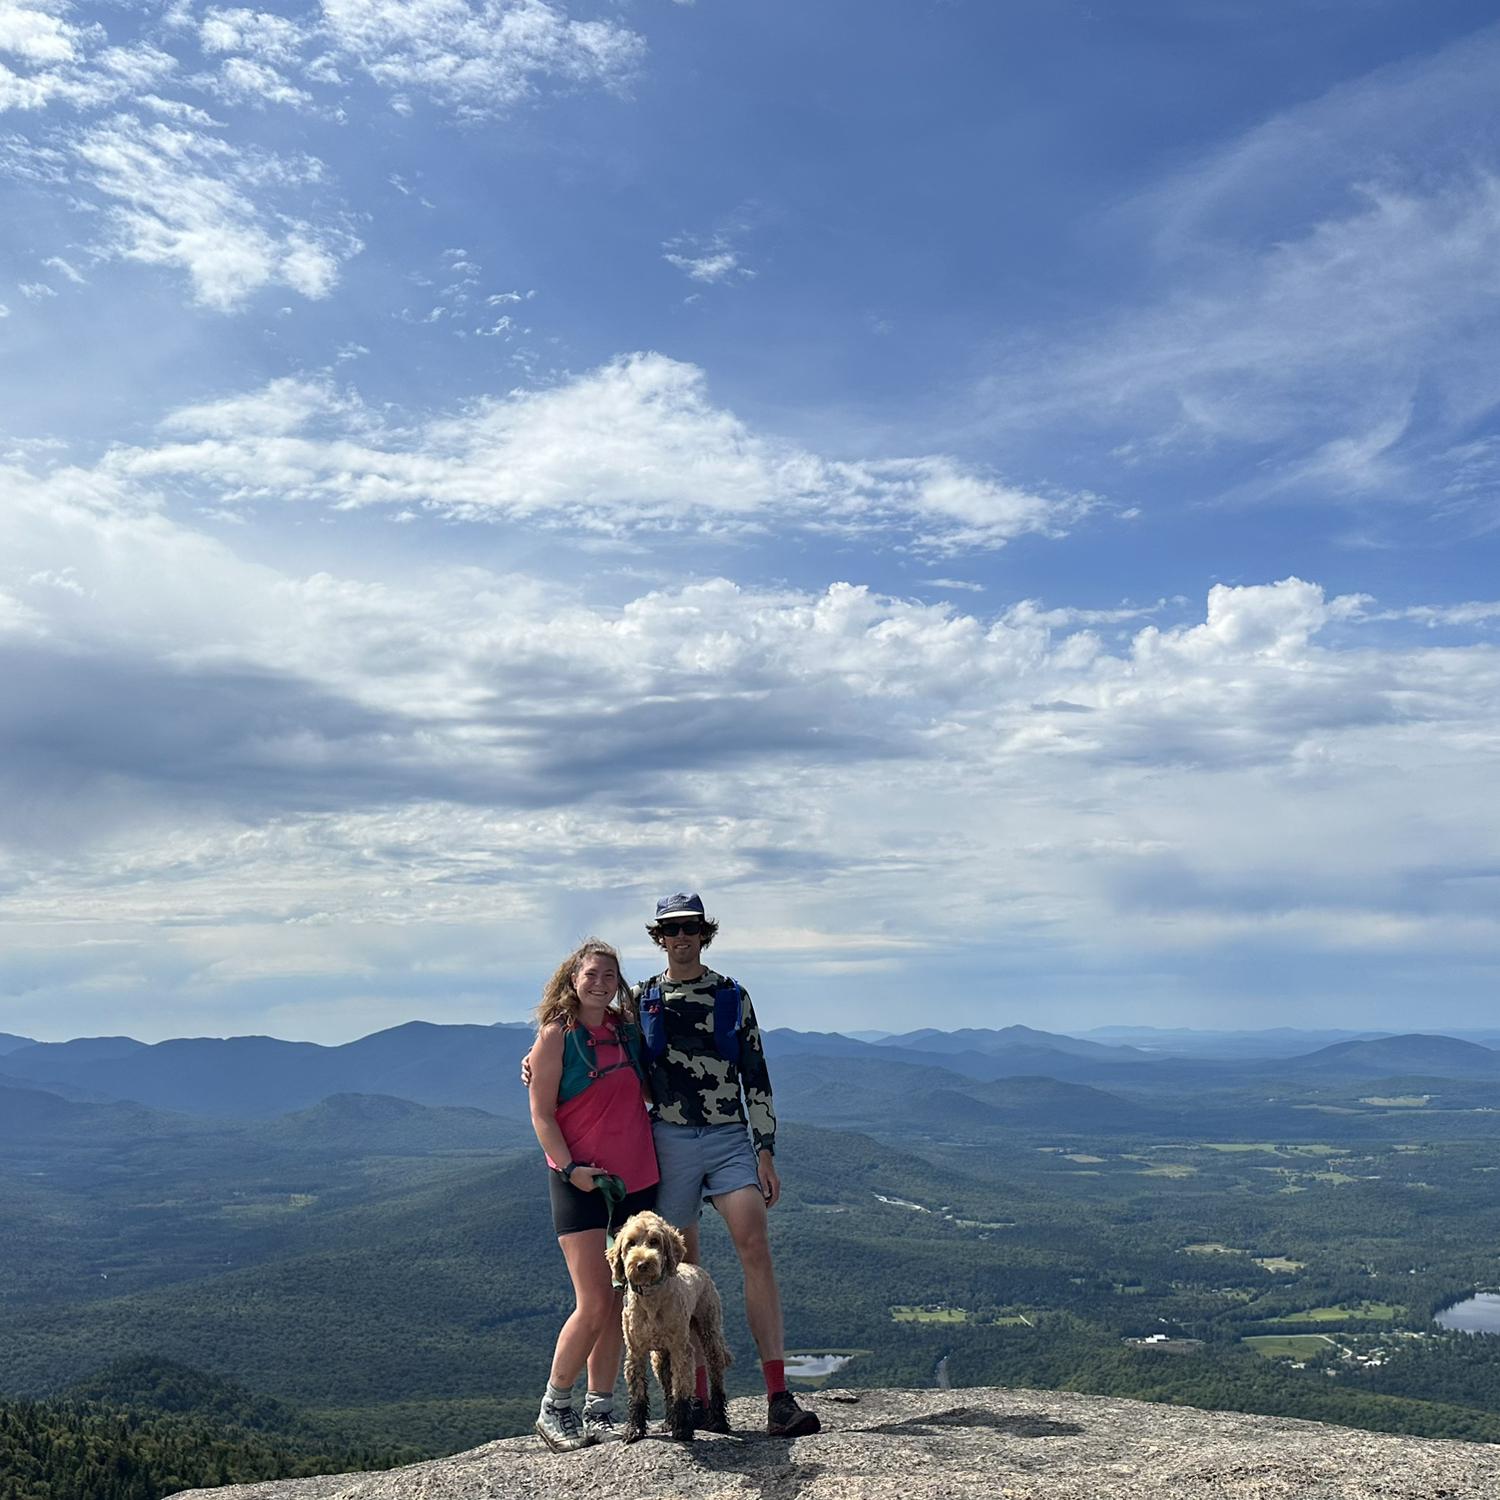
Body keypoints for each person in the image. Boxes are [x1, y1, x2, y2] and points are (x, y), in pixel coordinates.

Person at [636, 892, 820, 1439]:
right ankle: (695, 1400)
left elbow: (755, 1074)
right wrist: (541, 1055)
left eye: (691, 927)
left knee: (754, 1247)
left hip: (728, 1137)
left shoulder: (731, 996)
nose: (682, 937)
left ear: (704, 933)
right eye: (671, 930)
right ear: (661, 937)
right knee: (683, 1270)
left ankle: (777, 1395)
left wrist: (765, 1149)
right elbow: (601, 1041)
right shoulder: (643, 998)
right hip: (668, 1138)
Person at [526, 938, 658, 1452]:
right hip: (581, 1180)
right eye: (591, 974)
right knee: (596, 1299)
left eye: (610, 975)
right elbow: (541, 1113)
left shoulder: (626, 1030)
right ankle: (554, 1405)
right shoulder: (557, 1036)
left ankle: (599, 1406)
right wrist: (570, 1167)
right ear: (572, 979)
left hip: (637, 1175)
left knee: (622, 1298)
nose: (600, 982)